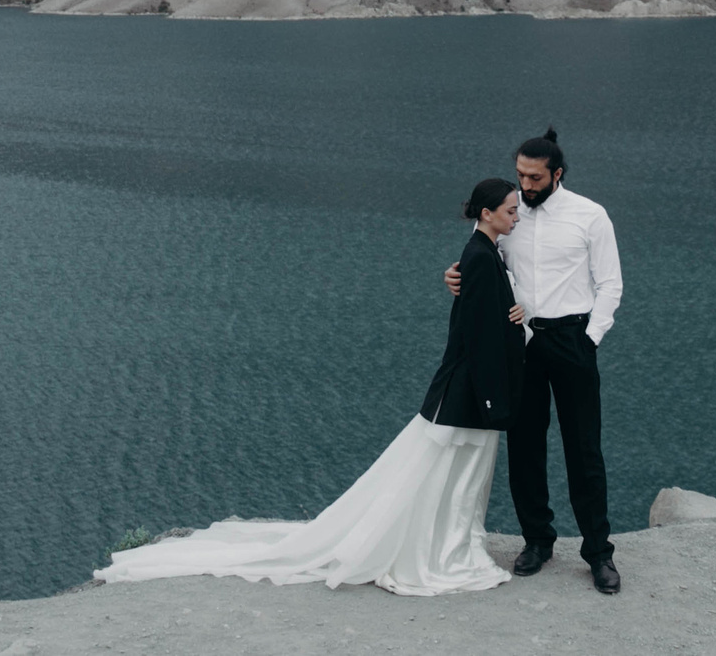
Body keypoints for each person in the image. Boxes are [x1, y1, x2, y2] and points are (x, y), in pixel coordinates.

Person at [94, 177, 529, 596]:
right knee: (452, 475)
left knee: (449, 473)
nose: (517, 218)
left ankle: (446, 545)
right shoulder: (478, 256)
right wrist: (497, 391)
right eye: (511, 211)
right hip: (470, 391)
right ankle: (444, 552)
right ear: (487, 214)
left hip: (469, 389)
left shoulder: (485, 251)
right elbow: (475, 335)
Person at [445, 126, 622, 593]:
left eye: (535, 178)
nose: (524, 185)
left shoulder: (590, 216)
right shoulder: (508, 214)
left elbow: (610, 285)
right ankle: (537, 541)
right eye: (520, 175)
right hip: (520, 344)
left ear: (557, 174)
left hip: (572, 341)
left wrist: (590, 339)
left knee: (584, 449)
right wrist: (454, 276)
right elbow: (481, 259)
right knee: (525, 447)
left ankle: (598, 553)